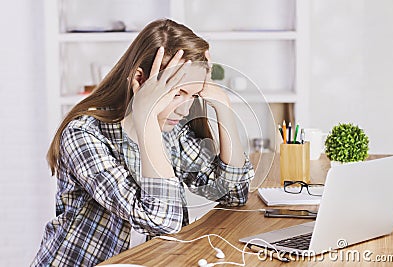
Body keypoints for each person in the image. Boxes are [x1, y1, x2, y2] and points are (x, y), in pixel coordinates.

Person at [32, 19, 254, 266]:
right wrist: (146, 116)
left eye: (193, 95)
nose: (184, 110)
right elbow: (162, 221)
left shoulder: (173, 130)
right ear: (140, 79)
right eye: (177, 93)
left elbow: (234, 193)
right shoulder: (84, 135)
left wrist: (222, 104)